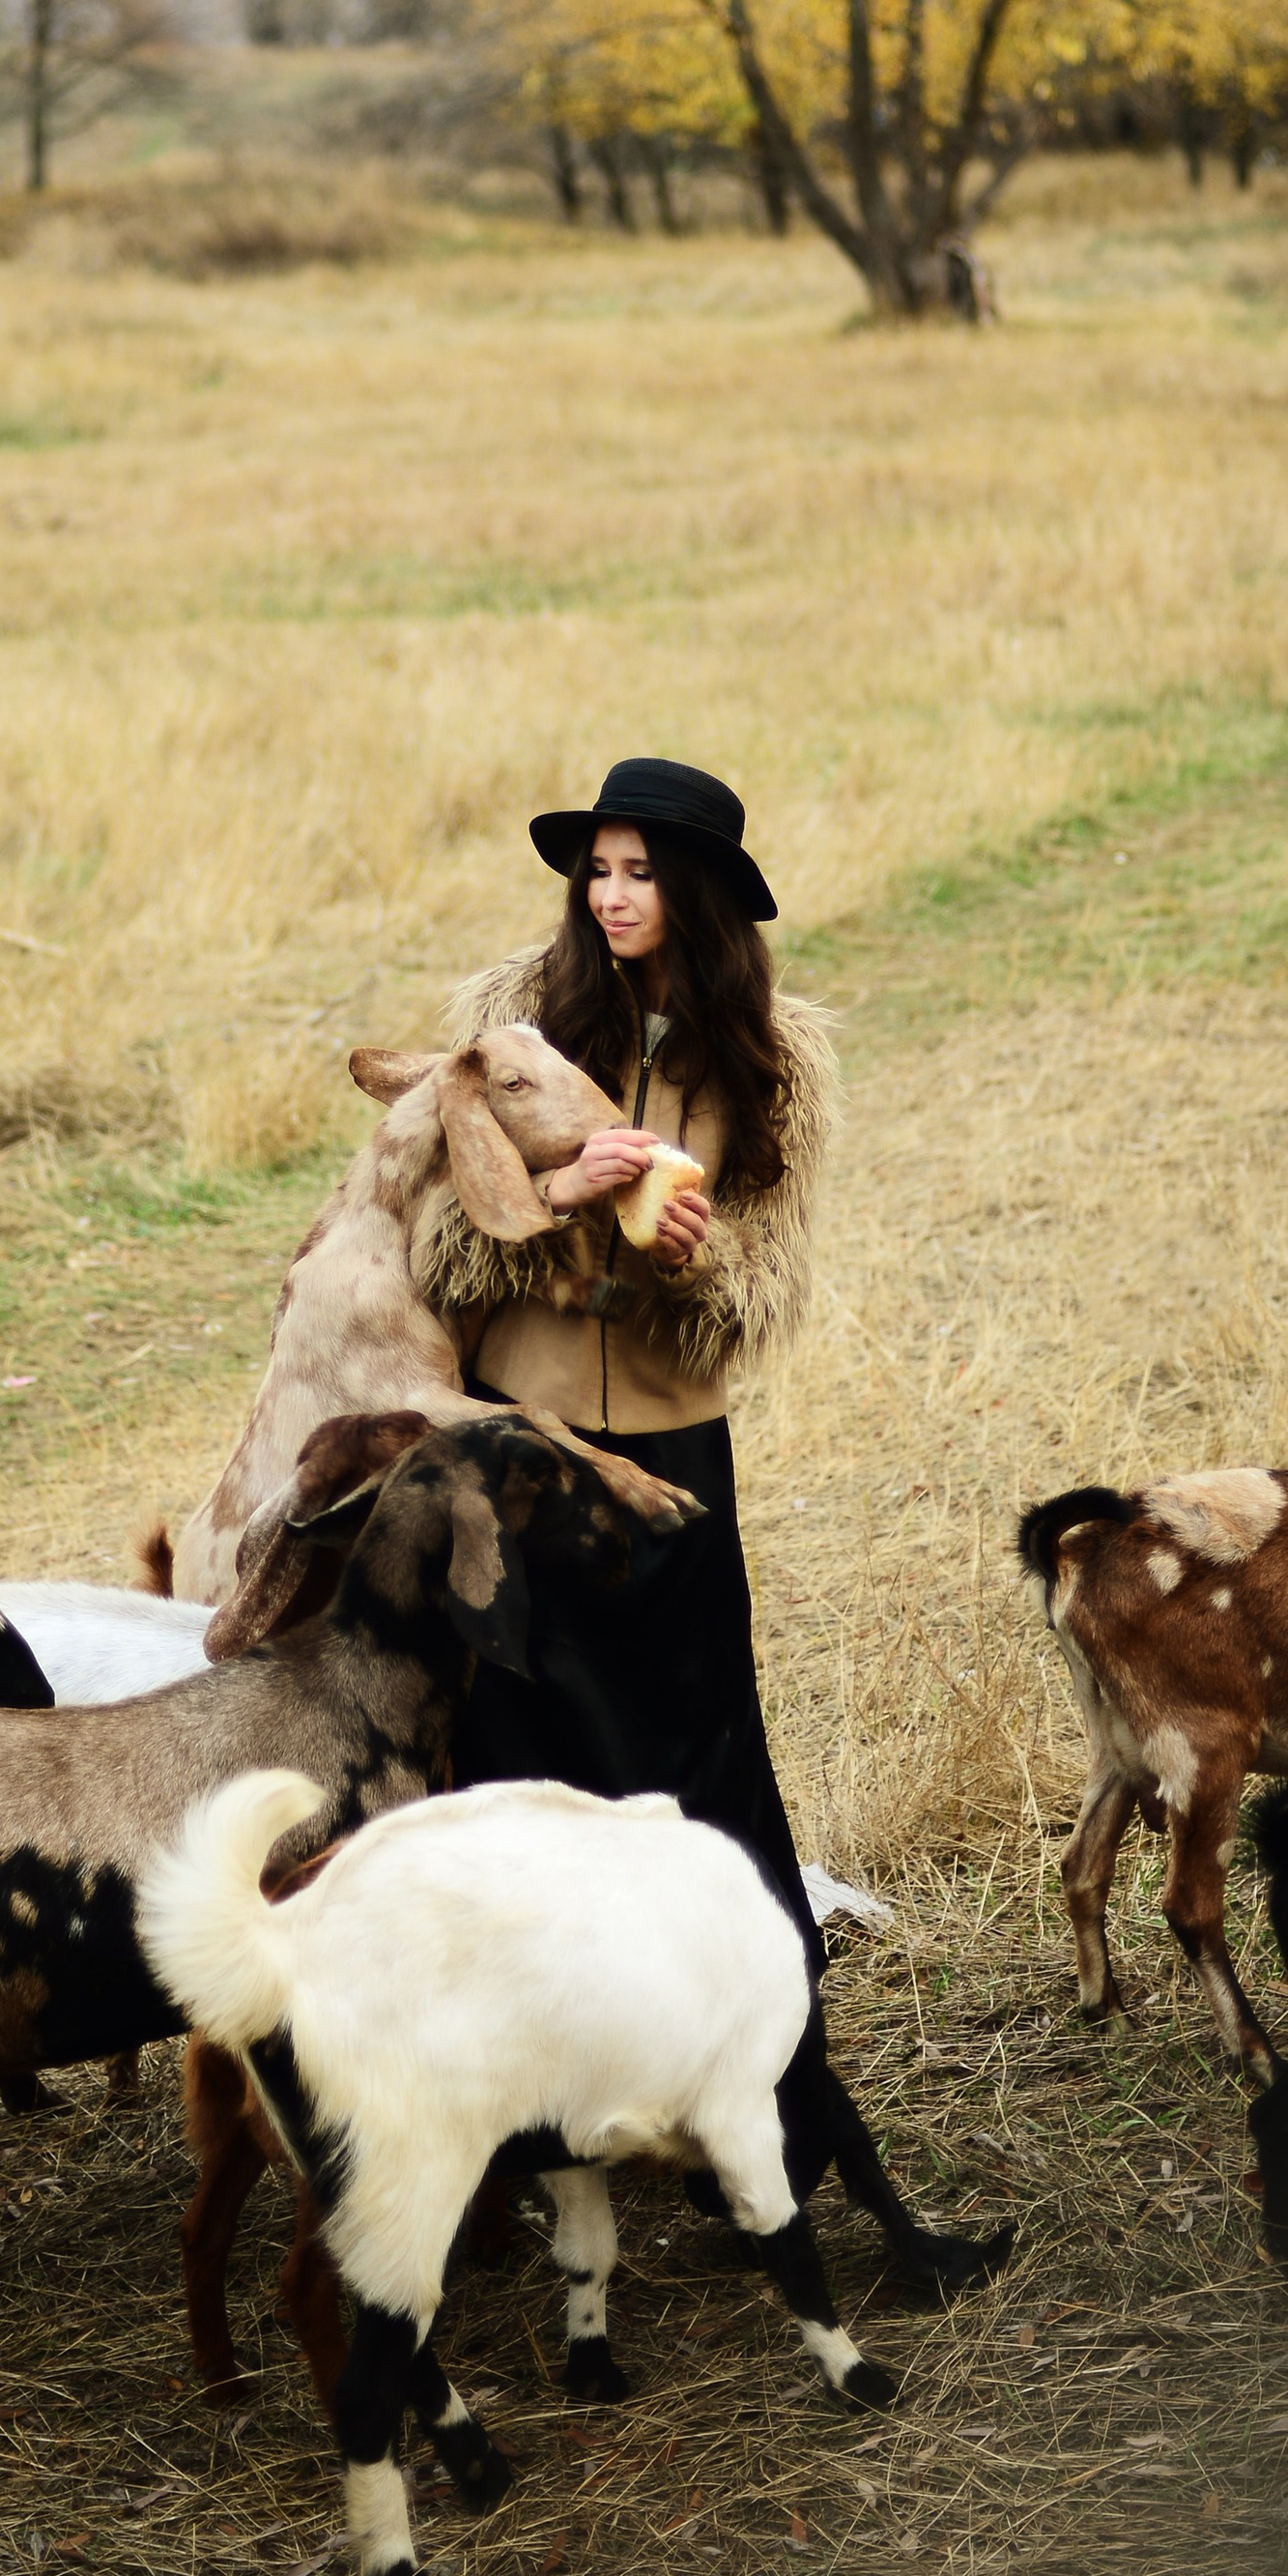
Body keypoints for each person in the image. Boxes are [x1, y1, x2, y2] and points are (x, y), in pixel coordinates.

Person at [423, 755, 832, 1956]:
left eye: (639, 873)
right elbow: (437, 1234)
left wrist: (692, 1257)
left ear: (694, 889)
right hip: (520, 1429)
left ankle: (713, 2001)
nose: (609, 895)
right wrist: (555, 1187)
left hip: (672, 1445)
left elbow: (770, 1291)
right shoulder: (512, 1022)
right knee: (518, 1735)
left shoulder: (774, 1056)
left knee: (690, 1728)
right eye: (596, 871)